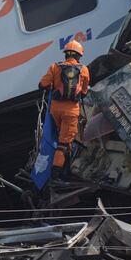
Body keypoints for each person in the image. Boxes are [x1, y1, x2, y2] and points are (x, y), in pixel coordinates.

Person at [38, 40, 90, 175]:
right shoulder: (83, 69)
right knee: (64, 143)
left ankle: (66, 165)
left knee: (62, 136)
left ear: (66, 54)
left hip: (55, 109)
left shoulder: (55, 67)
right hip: (71, 111)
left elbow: (42, 84)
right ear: (79, 56)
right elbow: (84, 92)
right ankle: (58, 173)